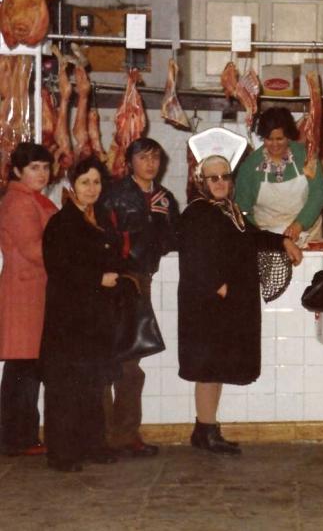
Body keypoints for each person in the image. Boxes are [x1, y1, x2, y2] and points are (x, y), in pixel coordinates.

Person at [178, 154, 302, 455]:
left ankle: (204, 429)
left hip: (225, 303)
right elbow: (194, 258)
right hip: (210, 306)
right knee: (208, 369)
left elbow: (252, 237)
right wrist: (219, 288)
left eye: (224, 176)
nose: (221, 182)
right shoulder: (198, 212)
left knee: (215, 368)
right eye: (213, 178)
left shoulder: (228, 210)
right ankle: (205, 431)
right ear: (201, 182)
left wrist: (282, 241)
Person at [39, 156, 124, 472]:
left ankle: (93, 445)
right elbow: (60, 270)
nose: (92, 188)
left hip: (95, 317)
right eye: (85, 182)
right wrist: (97, 279)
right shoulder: (62, 223)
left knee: (92, 384)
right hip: (68, 318)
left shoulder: (99, 218)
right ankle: (62, 454)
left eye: (97, 182)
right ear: (72, 185)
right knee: (65, 387)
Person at [100, 137, 180, 458]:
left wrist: (157, 226)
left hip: (139, 282)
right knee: (107, 360)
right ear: (130, 161)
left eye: (155, 158)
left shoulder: (165, 197)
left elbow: (173, 238)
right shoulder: (114, 194)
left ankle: (125, 434)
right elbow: (103, 235)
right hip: (110, 281)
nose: (150, 164)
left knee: (131, 364)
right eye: (144, 157)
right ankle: (102, 435)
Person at [0, 143, 56, 457]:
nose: (42, 174)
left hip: (33, 293)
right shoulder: (19, 203)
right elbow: (36, 251)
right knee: (23, 367)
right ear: (18, 171)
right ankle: (16, 438)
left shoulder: (34, 199)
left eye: (45, 167)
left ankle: (21, 436)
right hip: (25, 294)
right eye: (34, 167)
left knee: (26, 367)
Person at [235, 106, 323, 245]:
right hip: (269, 239)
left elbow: (318, 193)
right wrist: (260, 234)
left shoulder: (305, 156)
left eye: (280, 139)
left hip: (307, 233)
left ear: (289, 136)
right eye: (269, 139)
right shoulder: (249, 167)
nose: (274, 144)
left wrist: (299, 224)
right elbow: (242, 209)